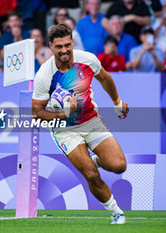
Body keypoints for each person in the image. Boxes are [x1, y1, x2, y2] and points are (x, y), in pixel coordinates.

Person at [32, 23, 129, 224]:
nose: (64, 50)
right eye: (58, 47)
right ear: (51, 46)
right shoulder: (44, 74)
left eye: (67, 45)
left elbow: (104, 78)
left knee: (119, 166)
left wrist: (117, 102)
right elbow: (37, 113)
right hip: (64, 130)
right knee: (91, 175)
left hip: (92, 121)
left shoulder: (88, 59)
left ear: (72, 42)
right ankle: (116, 212)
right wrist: (61, 114)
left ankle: (92, 161)